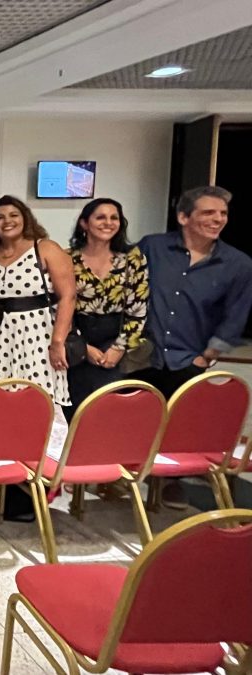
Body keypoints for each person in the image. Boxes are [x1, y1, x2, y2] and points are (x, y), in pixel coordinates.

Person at [134, 186, 251, 508]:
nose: (217, 220)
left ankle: (169, 481)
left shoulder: (238, 263)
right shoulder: (152, 247)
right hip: (142, 352)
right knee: (133, 417)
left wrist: (208, 355)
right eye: (208, 213)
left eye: (222, 214)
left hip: (188, 357)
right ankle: (121, 477)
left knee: (180, 423)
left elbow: (235, 314)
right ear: (184, 217)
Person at [0, 195, 74, 407]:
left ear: (25, 219)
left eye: (14, 215)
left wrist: (57, 342)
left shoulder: (45, 248)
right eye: (0, 217)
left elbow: (68, 296)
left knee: (39, 398)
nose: (7, 221)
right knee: (1, 398)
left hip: (38, 335)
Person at [65, 198, 149, 420]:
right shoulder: (67, 258)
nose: (108, 223)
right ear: (84, 223)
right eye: (100, 217)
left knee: (107, 404)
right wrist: (82, 346)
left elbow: (138, 307)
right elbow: (59, 306)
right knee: (76, 405)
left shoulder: (132, 258)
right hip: (75, 336)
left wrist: (119, 347)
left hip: (116, 336)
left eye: (114, 218)